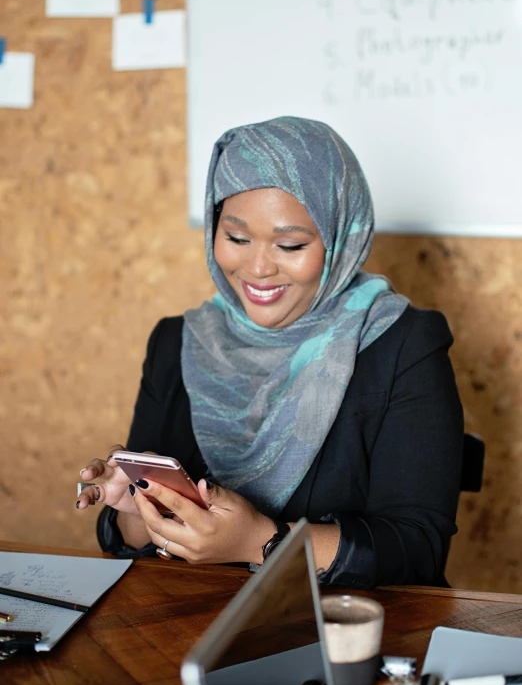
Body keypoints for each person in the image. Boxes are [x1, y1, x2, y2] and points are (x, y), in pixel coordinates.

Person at [76, 116, 463, 588]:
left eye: (290, 244)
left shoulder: (402, 345)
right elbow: (133, 542)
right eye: (237, 238)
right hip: (184, 627)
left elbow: (418, 550)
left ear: (341, 240)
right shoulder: (177, 342)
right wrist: (142, 508)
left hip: (342, 636)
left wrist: (261, 542)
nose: (258, 268)